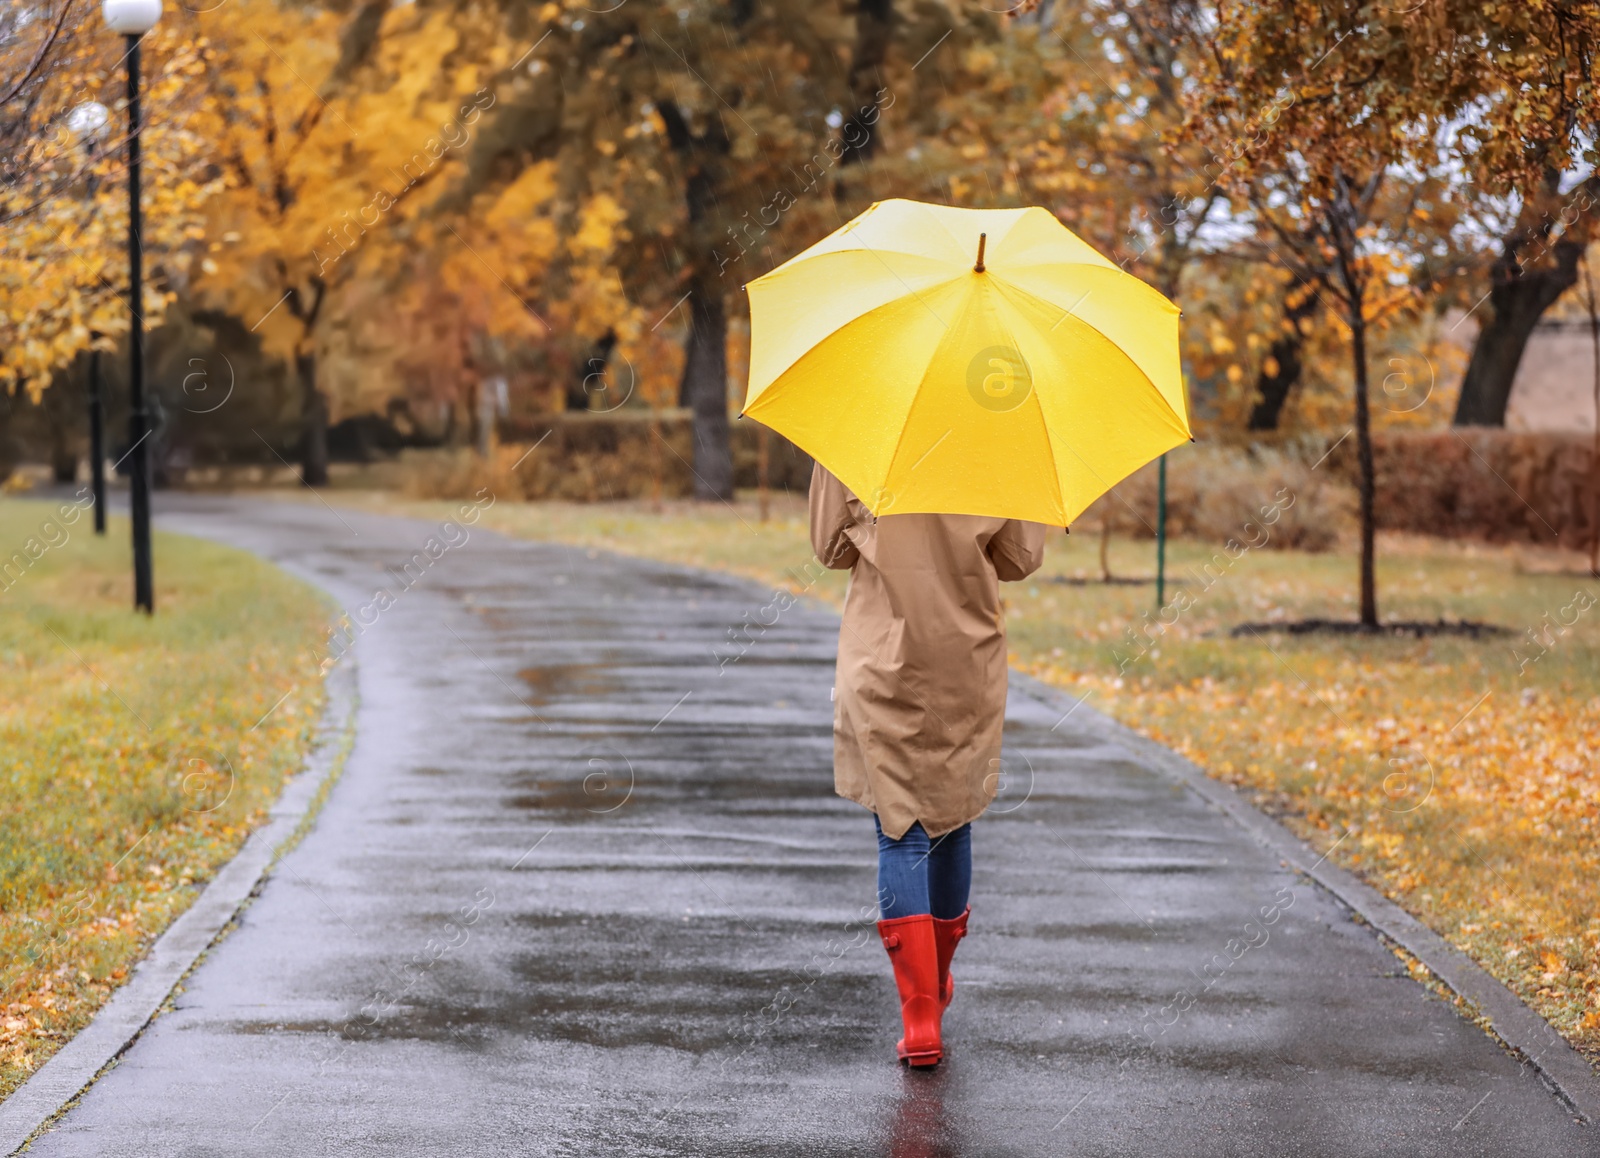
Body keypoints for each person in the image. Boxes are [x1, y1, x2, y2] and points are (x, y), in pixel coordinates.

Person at [809, 463, 1048, 1068]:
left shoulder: (858, 427)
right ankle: (934, 984)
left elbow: (829, 547)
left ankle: (919, 1018)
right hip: (963, 656)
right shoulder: (999, 438)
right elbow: (1019, 558)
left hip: (882, 656)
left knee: (899, 828)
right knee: (953, 818)